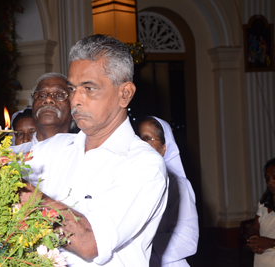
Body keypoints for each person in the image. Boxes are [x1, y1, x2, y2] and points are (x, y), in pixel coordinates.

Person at [19, 34, 168, 266]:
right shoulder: (55, 147)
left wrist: (16, 189)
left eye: (89, 88)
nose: (75, 100)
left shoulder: (143, 165)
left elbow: (90, 243)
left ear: (125, 94)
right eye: (72, 88)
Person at [135, 116, 199, 267]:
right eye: (138, 139)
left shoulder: (179, 185)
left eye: (148, 138)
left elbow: (188, 240)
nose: (141, 145)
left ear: (164, 148)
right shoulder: (131, 183)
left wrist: (140, 244)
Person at [247, 157, 275, 267]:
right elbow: (254, 227)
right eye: (267, 178)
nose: (270, 182)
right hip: (262, 261)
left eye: (274, 177)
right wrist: (254, 239)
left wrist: (272, 243)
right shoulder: (264, 203)